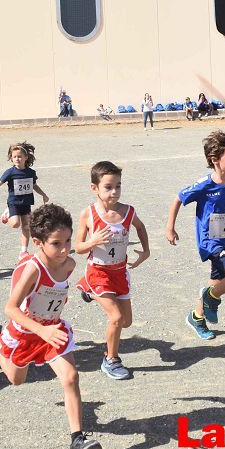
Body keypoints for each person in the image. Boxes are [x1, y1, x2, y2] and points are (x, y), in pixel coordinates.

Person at [0, 203, 104, 449]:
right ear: (38, 242)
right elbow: (10, 307)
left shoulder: (68, 265)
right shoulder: (33, 269)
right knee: (16, 380)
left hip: (52, 330)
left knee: (70, 377)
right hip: (27, 331)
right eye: (56, 244)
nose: (65, 249)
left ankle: (77, 439)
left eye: (68, 241)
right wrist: (39, 329)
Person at [167, 130, 225, 340]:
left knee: (216, 282)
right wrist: (170, 227)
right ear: (215, 160)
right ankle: (209, 297)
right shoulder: (204, 185)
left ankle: (196, 316)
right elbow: (178, 198)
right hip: (210, 243)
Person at [74, 161, 150, 380]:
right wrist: (92, 241)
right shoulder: (88, 214)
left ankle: (88, 291)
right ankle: (111, 360)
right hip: (98, 272)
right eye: (108, 187)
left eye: (118, 186)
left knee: (126, 322)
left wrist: (145, 251)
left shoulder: (127, 212)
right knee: (115, 318)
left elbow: (140, 226)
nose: (114, 191)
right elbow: (78, 247)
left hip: (119, 272)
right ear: (94, 188)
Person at [0, 142, 50, 258]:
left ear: (26, 157)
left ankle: (23, 251)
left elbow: (34, 185)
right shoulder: (10, 172)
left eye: (20, 156)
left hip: (26, 202)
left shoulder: (30, 172)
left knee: (26, 226)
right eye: (14, 157)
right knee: (15, 224)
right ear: (11, 158)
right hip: (14, 203)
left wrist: (43, 194)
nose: (17, 159)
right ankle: (6, 214)